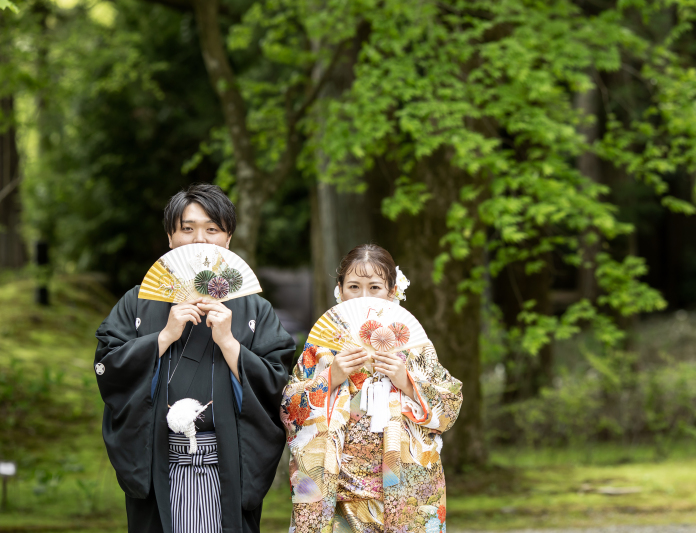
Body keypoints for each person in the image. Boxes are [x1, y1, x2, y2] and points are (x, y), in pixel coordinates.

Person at [94, 183, 296, 533]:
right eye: (187, 229)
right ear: (170, 239)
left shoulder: (254, 308)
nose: (199, 239)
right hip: (160, 459)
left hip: (227, 462)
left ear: (228, 239)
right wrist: (164, 336)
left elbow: (279, 385)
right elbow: (108, 369)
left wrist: (229, 343)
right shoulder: (137, 302)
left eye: (211, 229)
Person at [281, 244, 463, 533]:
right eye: (354, 286)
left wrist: (407, 381)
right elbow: (291, 409)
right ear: (340, 290)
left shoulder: (414, 348)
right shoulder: (323, 347)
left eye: (375, 287)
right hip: (337, 481)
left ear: (391, 291)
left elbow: (449, 404)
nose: (364, 297)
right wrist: (331, 376)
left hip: (402, 482)